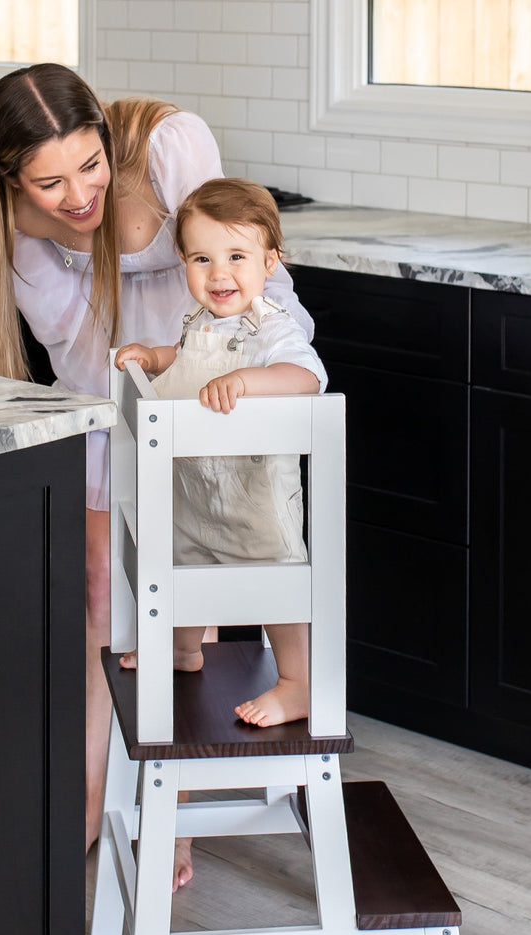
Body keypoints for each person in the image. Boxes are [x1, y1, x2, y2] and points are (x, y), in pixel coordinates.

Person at [0, 64, 314, 890]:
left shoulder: (169, 148)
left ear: (108, 141)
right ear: (13, 177)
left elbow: (251, 276)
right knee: (104, 611)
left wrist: (274, 377)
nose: (78, 194)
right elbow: (70, 339)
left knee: (191, 609)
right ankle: (93, 800)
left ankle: (171, 805)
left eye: (90, 165)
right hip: (104, 404)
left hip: (205, 403)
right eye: (48, 182)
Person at [114, 177, 327, 729]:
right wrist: (157, 359)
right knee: (183, 564)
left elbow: (307, 376)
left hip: (252, 499)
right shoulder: (199, 322)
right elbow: (188, 359)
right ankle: (183, 650)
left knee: (272, 583)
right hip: (195, 488)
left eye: (237, 256)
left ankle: (297, 684)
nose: (219, 274)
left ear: (269, 263)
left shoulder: (272, 331)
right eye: (201, 258)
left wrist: (251, 380)